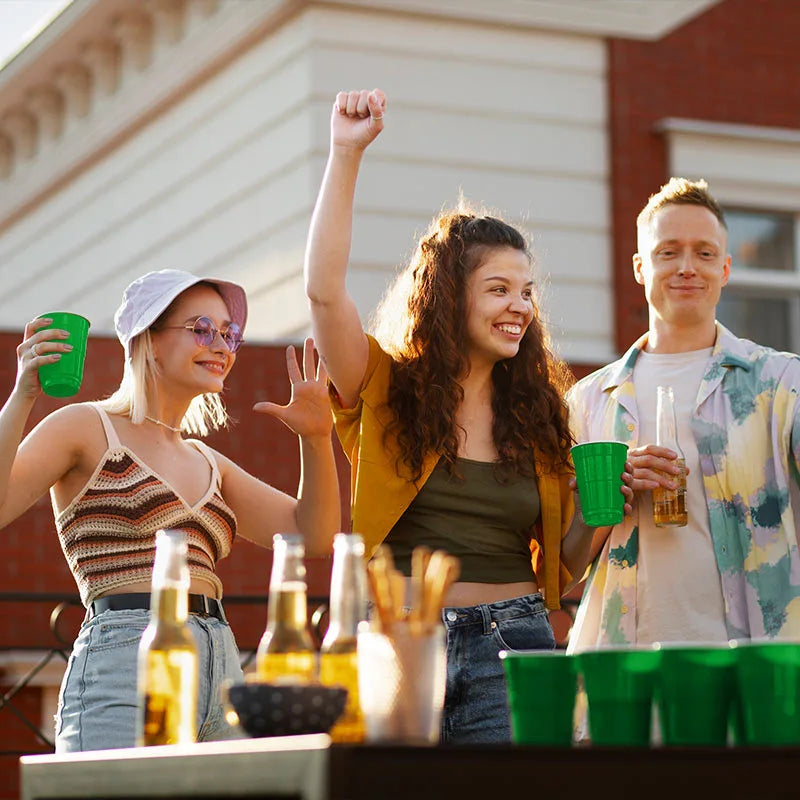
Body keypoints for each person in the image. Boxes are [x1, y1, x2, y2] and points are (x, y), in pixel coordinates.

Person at [304, 88, 633, 744]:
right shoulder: (384, 387)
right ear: (449, 298)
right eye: (499, 289)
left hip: (516, 644)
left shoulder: (539, 414)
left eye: (527, 292)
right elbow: (322, 291)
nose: (520, 307)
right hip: (397, 640)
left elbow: (559, 569)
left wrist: (601, 519)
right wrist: (345, 154)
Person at [0, 268, 340, 752]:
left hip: (220, 665)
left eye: (230, 334)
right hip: (124, 660)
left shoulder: (210, 462)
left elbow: (315, 535)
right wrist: (24, 394)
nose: (221, 345)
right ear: (148, 340)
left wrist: (317, 438)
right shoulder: (86, 426)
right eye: (201, 329)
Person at [566, 177, 800, 653]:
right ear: (639, 267)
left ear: (726, 268)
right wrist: (609, 496)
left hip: (756, 667)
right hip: (622, 665)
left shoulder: (781, 384)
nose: (687, 268)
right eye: (668, 252)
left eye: (705, 253)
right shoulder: (589, 400)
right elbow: (562, 568)